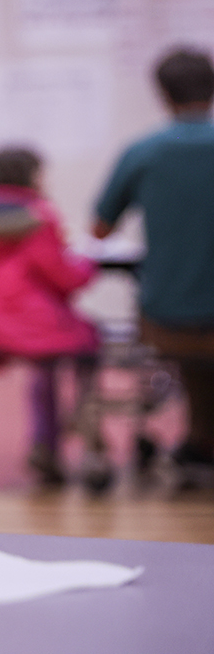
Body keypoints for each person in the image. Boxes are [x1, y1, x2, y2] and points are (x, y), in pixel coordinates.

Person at [0, 146, 105, 489]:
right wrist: (90, 263)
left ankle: (47, 442)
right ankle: (86, 443)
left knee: (47, 361)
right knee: (87, 340)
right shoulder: (39, 217)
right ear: (31, 176)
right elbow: (66, 278)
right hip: (32, 328)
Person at [94, 46, 214, 483]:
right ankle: (201, 441)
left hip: (166, 316)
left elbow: (101, 228)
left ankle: (200, 443)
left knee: (192, 353)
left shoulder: (144, 152)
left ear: (162, 94)